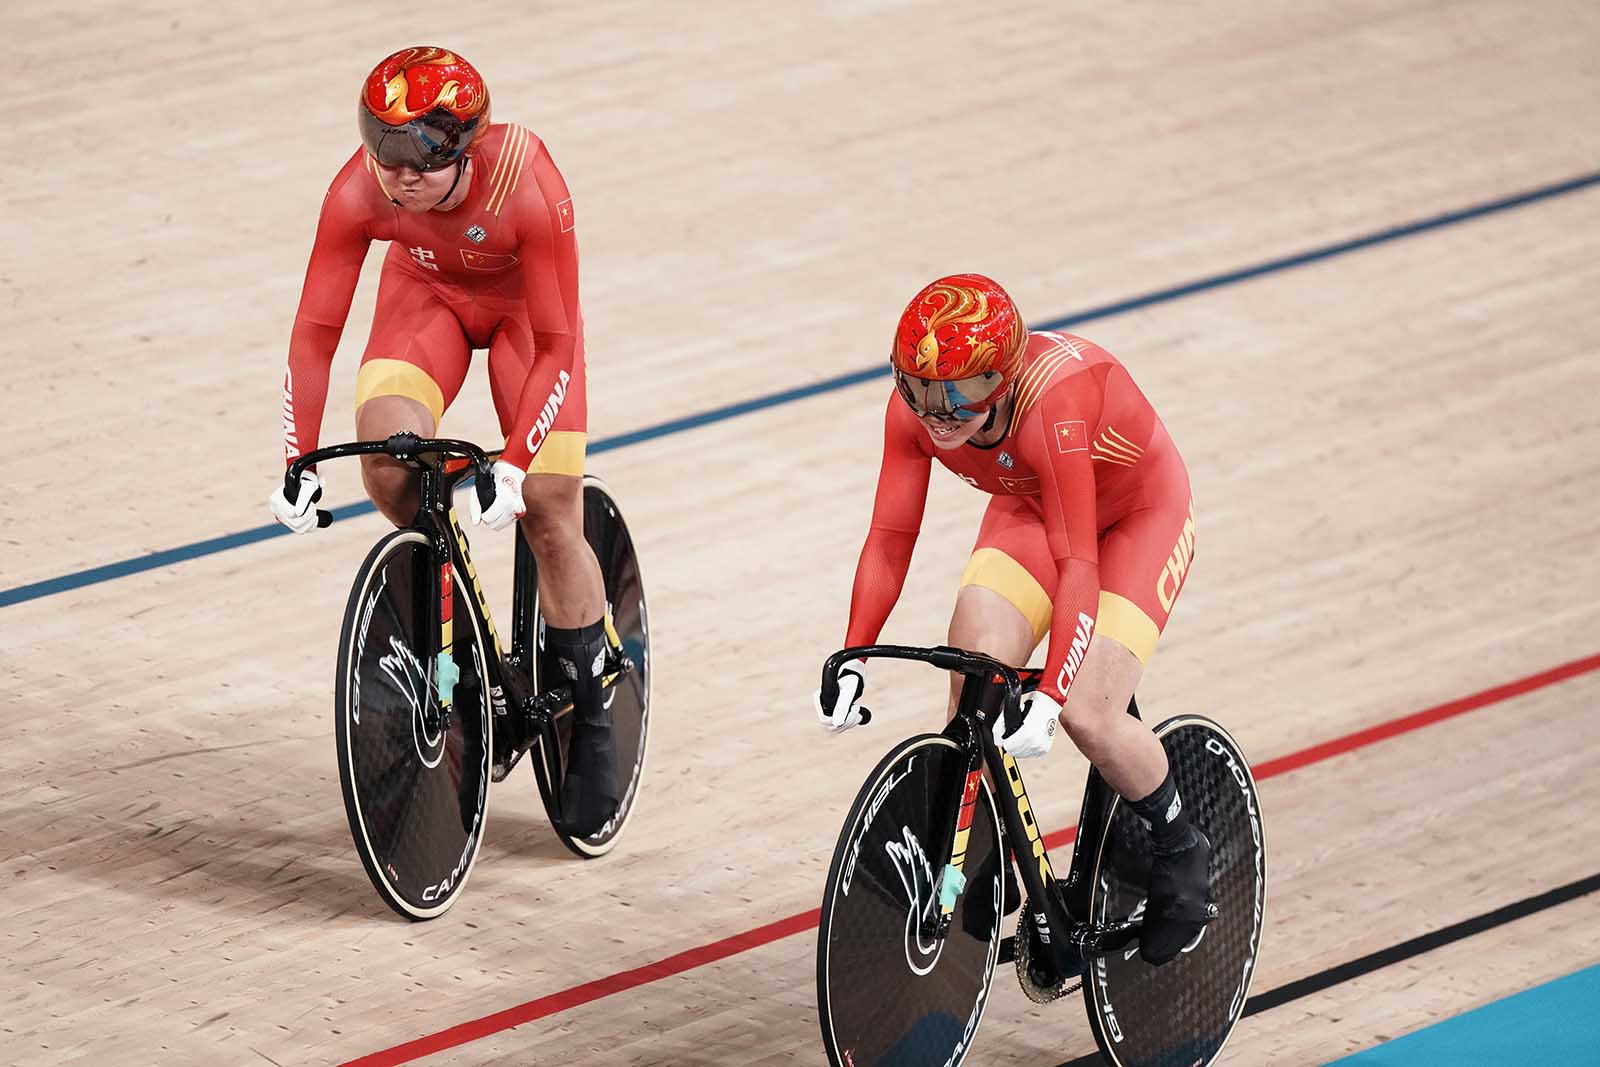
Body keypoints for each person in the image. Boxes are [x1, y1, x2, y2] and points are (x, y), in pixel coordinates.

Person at [266, 46, 615, 836]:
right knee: (391, 470)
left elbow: (557, 347)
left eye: (419, 160)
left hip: (529, 316)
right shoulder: (360, 188)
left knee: (551, 511)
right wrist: (297, 456)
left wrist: (515, 461)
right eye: (382, 151)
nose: (397, 176)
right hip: (427, 300)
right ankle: (455, 638)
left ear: (464, 146)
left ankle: (591, 714)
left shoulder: (529, 183)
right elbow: (316, 330)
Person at [815, 273, 1211, 964]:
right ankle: (984, 841)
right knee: (974, 673)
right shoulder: (917, 411)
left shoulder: (1050, 405)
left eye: (958, 393)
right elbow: (889, 536)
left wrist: (1055, 691)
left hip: (1135, 517)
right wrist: (854, 653)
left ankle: (1180, 844)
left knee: (1091, 712)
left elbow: (1079, 564)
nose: (936, 411)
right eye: (918, 388)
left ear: (1001, 379)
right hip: (1037, 507)